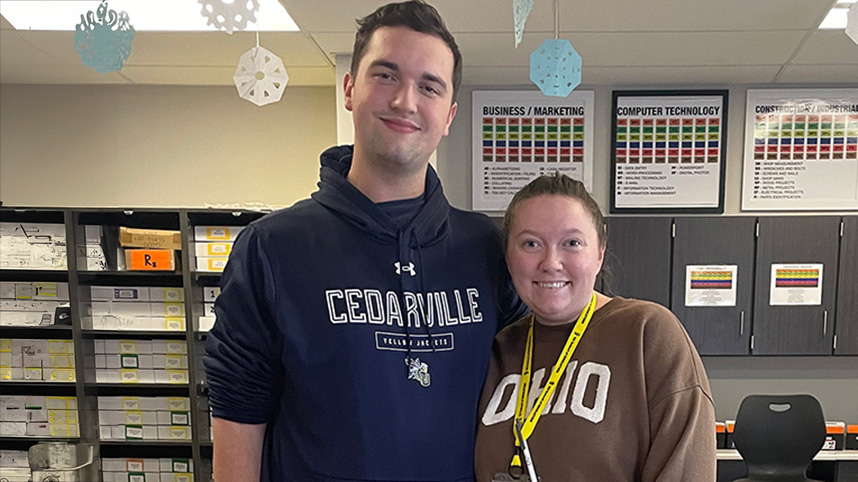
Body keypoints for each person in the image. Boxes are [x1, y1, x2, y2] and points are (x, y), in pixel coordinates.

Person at [204, 2, 526, 481]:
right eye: (386, 76)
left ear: (449, 114)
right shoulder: (271, 249)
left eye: (429, 87)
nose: (405, 101)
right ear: (350, 89)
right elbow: (237, 420)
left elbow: (546, 360)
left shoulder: (486, 247)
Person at [474, 173, 716, 481]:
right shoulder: (500, 348)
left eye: (572, 243)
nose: (551, 262)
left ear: (599, 253)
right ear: (509, 259)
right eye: (531, 243)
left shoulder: (647, 333)